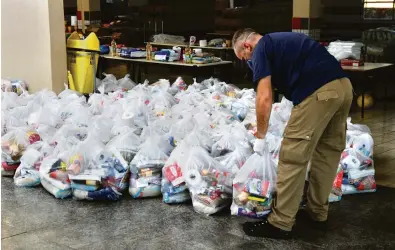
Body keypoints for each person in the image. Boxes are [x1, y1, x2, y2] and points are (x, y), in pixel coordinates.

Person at [232, 29, 353, 239]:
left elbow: (264, 97)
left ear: (247, 47)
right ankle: (317, 214)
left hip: (318, 93)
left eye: (245, 58)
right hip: (344, 88)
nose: (248, 63)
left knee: (292, 157)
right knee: (327, 154)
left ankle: (280, 223)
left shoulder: (262, 48)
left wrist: (260, 136)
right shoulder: (284, 40)